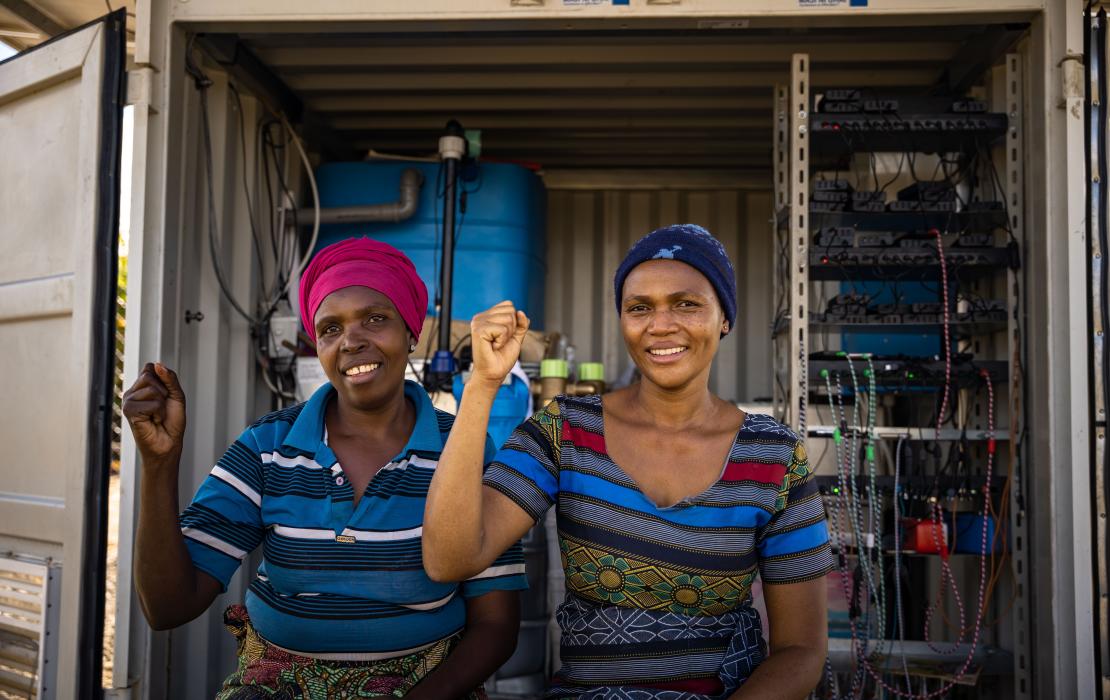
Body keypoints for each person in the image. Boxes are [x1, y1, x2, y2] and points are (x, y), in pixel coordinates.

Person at [424, 224, 834, 699]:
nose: (660, 325)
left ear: (724, 317)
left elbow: (802, 649)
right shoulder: (567, 431)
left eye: (686, 303)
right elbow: (449, 557)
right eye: (639, 307)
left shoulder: (774, 455)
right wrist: (482, 384)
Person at [123, 237, 526, 698]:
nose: (352, 341)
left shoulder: (464, 448)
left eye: (376, 319)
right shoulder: (268, 446)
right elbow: (168, 608)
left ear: (412, 332)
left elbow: (496, 625)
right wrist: (159, 465)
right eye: (331, 329)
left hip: (427, 686)